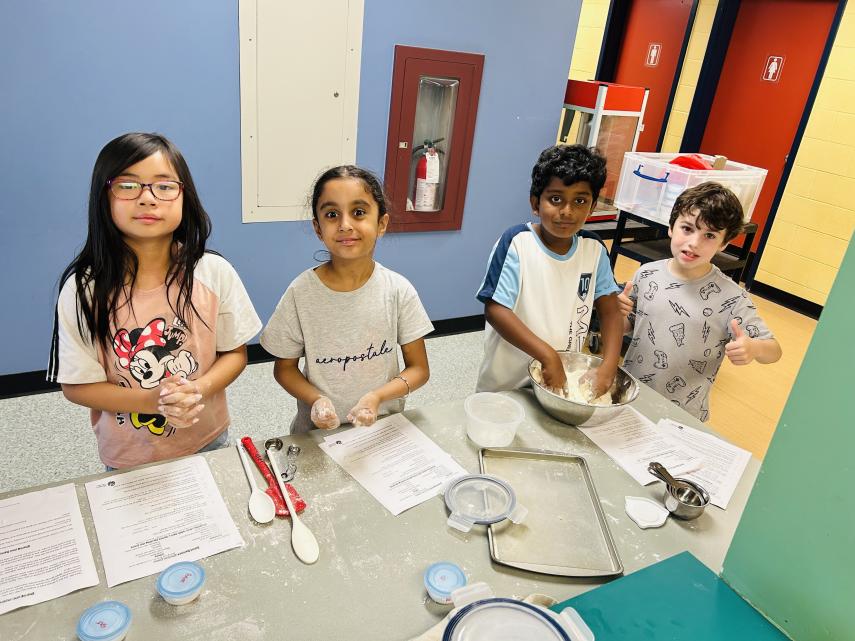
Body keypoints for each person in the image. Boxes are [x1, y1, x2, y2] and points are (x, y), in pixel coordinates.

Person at [48, 132, 261, 469]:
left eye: (164, 186)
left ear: (184, 197)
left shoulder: (213, 272)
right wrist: (152, 401)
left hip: (208, 438)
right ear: (103, 196)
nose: (147, 198)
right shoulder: (83, 290)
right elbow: (77, 387)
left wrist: (197, 389)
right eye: (128, 185)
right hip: (129, 455)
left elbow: (234, 354)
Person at [260, 165, 433, 432]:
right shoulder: (300, 293)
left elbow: (419, 369)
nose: (345, 225)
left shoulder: (398, 290)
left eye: (359, 212)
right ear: (318, 228)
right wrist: (316, 399)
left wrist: (378, 397)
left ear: (381, 223)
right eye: (332, 214)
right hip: (317, 433)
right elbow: (284, 369)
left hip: (381, 428)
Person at [617, 181, 782, 421]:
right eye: (687, 228)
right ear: (671, 227)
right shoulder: (646, 274)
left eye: (709, 235)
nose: (694, 243)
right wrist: (616, 314)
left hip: (685, 415)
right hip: (631, 395)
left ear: (724, 243)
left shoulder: (731, 296)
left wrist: (753, 348)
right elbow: (628, 325)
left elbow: (774, 350)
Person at [476, 144, 623, 396]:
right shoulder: (516, 243)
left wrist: (608, 367)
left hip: (562, 379)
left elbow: (610, 312)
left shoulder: (594, 250)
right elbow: (496, 309)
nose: (567, 211)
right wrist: (547, 355)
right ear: (536, 203)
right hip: (507, 383)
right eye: (556, 199)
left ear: (592, 207)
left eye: (580, 201)